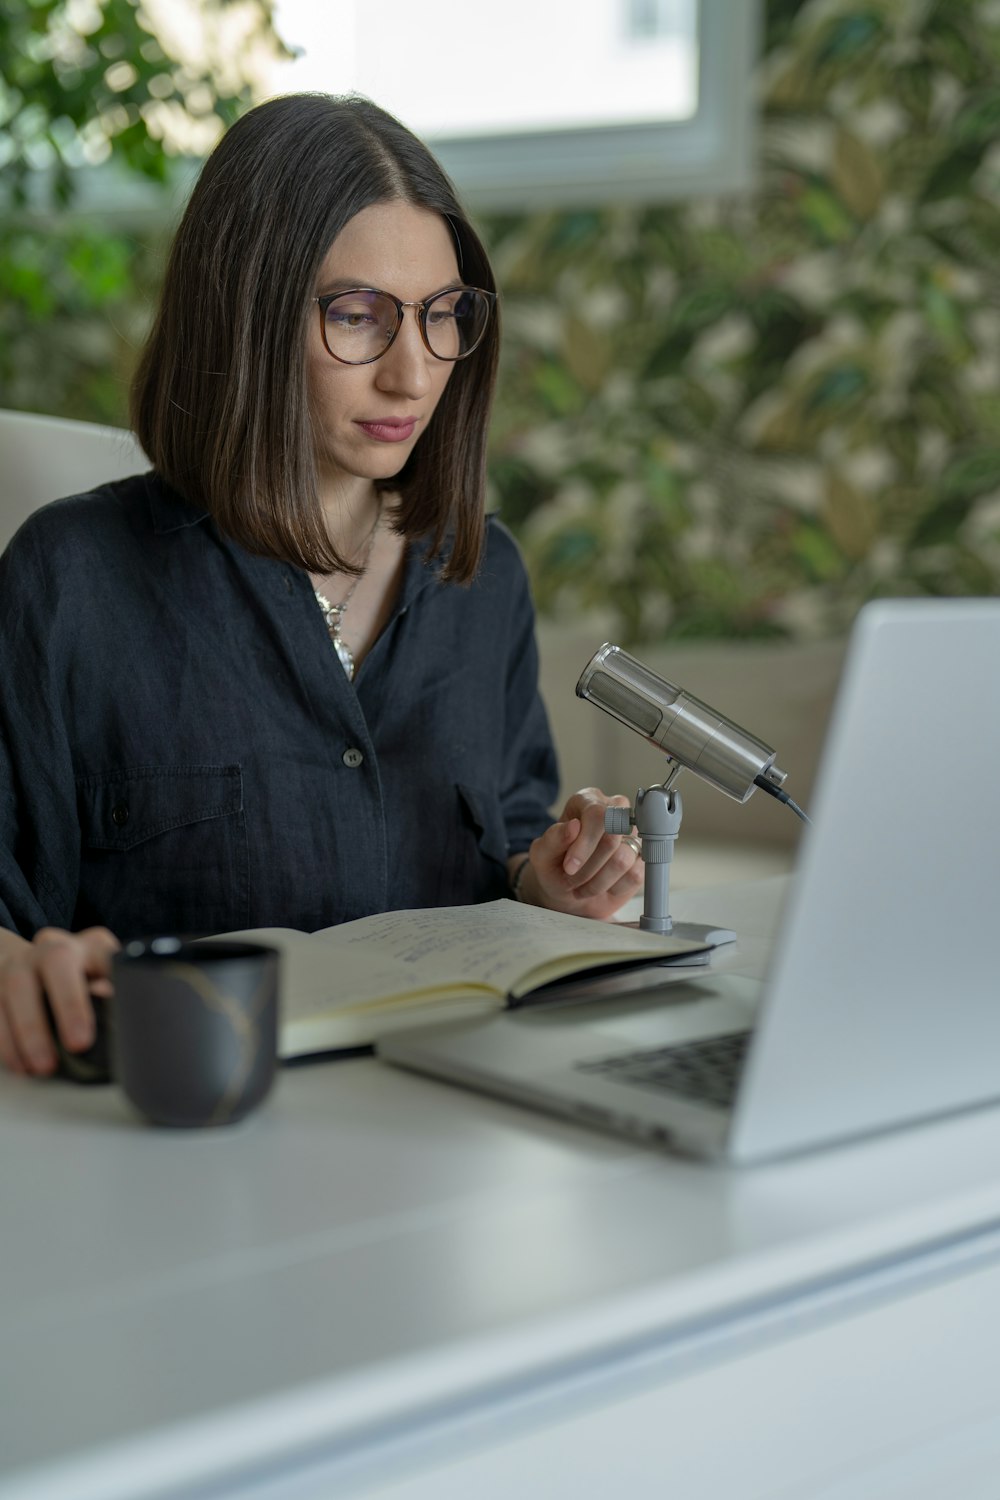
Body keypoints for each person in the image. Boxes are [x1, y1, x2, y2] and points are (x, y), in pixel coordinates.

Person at [0, 92, 643, 1079]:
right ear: (240, 315)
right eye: (356, 316)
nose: (413, 374)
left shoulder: (485, 576)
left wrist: (546, 884)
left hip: (455, 1134)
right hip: (188, 1154)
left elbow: (512, 841)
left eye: (441, 317)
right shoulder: (70, 582)